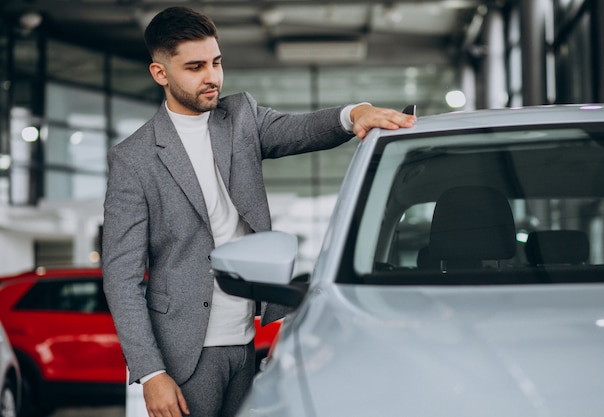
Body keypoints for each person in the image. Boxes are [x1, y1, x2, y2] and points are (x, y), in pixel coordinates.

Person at [101, 5, 415, 417]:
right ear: (161, 73)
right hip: (183, 354)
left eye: (216, 62)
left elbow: (300, 130)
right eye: (195, 67)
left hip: (247, 337)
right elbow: (121, 277)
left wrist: (353, 113)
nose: (212, 77)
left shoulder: (241, 117)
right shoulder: (133, 158)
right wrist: (151, 373)